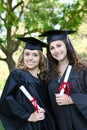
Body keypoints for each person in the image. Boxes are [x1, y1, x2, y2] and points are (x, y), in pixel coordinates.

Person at [0, 37, 56, 130]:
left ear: (40, 58)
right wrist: (28, 116)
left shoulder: (42, 81)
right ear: (23, 56)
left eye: (35, 55)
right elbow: (6, 100)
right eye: (27, 54)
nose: (30, 58)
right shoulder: (17, 75)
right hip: (28, 126)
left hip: (44, 125)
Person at [39, 30, 87, 130]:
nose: (56, 50)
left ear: (66, 45)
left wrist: (72, 99)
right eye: (52, 48)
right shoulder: (49, 75)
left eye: (59, 45)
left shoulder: (82, 69)